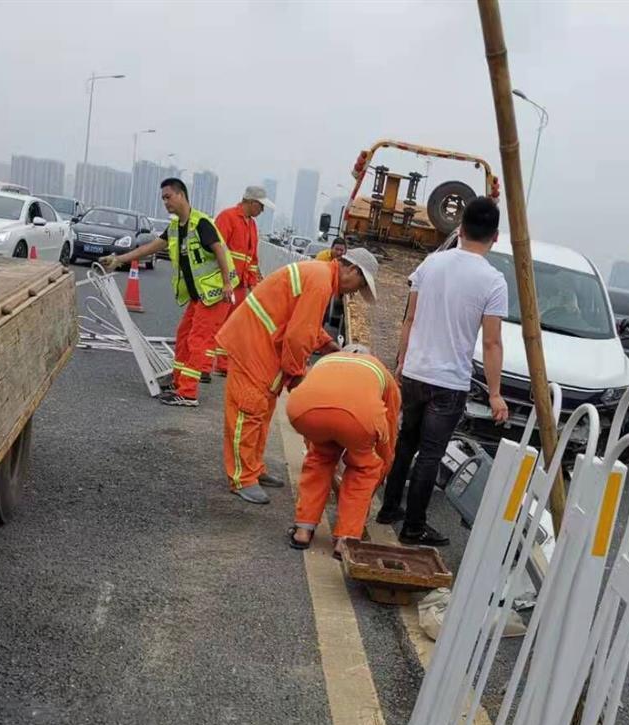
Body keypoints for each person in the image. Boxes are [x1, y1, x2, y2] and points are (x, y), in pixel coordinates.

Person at [376, 196, 509, 547]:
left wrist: (403, 360)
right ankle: (414, 527)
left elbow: (409, 318)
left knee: (406, 443)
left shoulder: (430, 264)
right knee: (431, 455)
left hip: (416, 373)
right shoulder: (493, 282)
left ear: (461, 229)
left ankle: (389, 509)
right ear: (495, 237)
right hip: (449, 382)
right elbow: (493, 343)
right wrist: (495, 394)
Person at [215, 247, 380, 504]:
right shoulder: (321, 283)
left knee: (262, 412)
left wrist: (329, 347)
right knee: (248, 412)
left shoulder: (320, 276)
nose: (355, 292)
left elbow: (306, 325)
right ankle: (242, 477)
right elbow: (297, 337)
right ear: (352, 270)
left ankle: (254, 468)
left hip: (262, 344)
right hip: (254, 345)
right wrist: (297, 376)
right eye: (359, 285)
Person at [99, 177, 236, 407]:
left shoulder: (200, 223)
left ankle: (189, 393)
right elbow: (148, 248)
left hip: (215, 294)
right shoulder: (175, 228)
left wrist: (227, 284)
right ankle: (179, 382)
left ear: (181, 195)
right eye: (163, 198)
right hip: (200, 294)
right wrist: (118, 260)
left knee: (197, 339)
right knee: (184, 335)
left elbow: (219, 250)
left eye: (168, 197)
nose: (165, 202)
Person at [286, 346, 400, 556]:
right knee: (363, 469)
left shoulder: (326, 361)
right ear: (368, 356)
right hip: (360, 419)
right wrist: (381, 467)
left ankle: (302, 531)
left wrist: (313, 446)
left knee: (319, 459)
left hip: (302, 409)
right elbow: (389, 434)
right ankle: (345, 540)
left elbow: (311, 433)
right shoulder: (382, 374)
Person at [211, 186, 272, 379]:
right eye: (261, 206)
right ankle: (203, 367)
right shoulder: (227, 217)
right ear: (252, 202)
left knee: (233, 326)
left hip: (240, 285)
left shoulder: (252, 225)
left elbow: (252, 259)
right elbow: (217, 250)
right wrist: (224, 280)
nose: (262, 211)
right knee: (213, 322)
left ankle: (223, 363)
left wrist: (252, 283)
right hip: (224, 282)